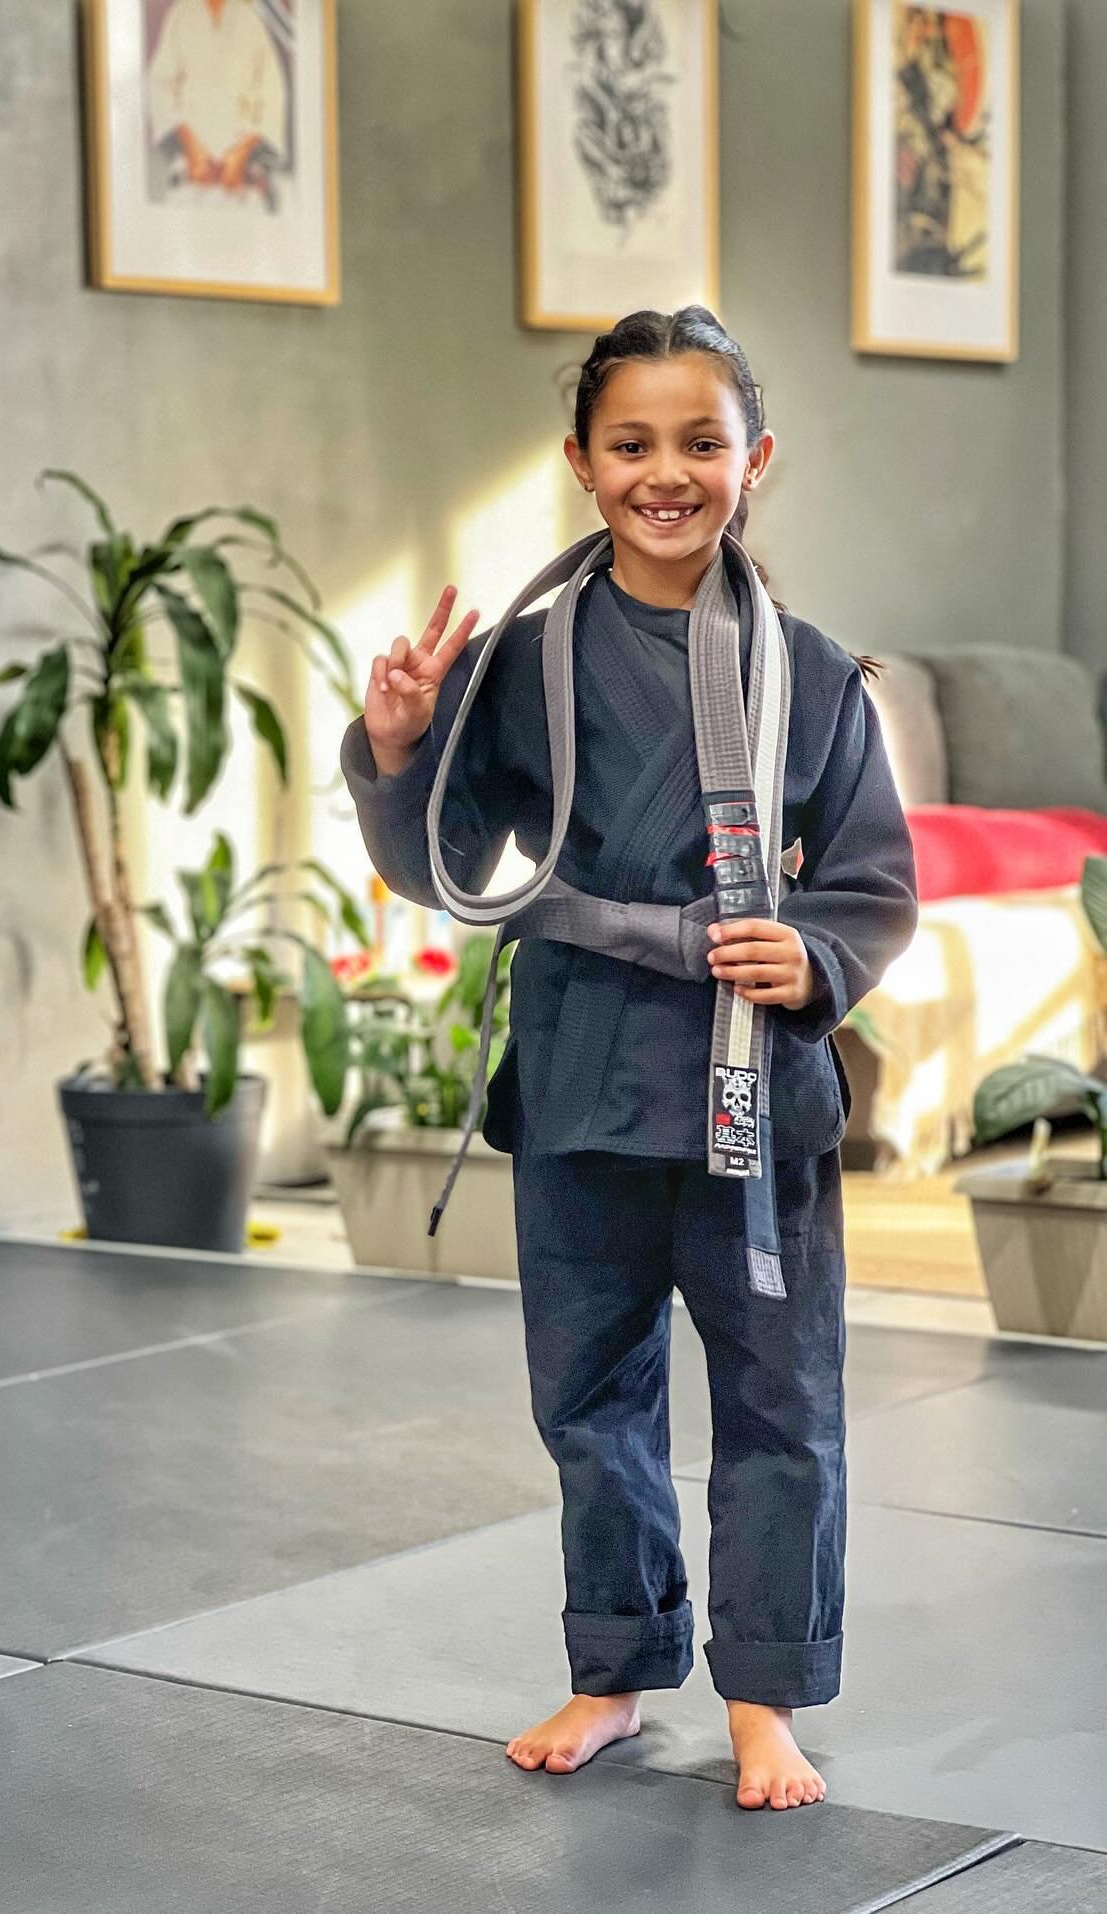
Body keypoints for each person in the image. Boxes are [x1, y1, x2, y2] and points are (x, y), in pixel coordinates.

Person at [338, 307, 918, 1812]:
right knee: (590, 1398)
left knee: (782, 1409)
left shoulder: (812, 674)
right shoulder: (525, 662)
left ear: (755, 460)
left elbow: (873, 880)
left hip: (750, 1086)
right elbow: (444, 860)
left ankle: (765, 1698)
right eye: (633, 443)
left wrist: (814, 956)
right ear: (583, 463)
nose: (669, 472)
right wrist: (400, 746)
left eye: (701, 442)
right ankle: (613, 1667)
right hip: (585, 1071)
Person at [147, 0, 287, 205]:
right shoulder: (182, 13)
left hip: (246, 160)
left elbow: (272, 92)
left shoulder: (252, 16)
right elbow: (160, 84)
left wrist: (242, 151)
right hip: (189, 157)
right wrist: (191, 145)